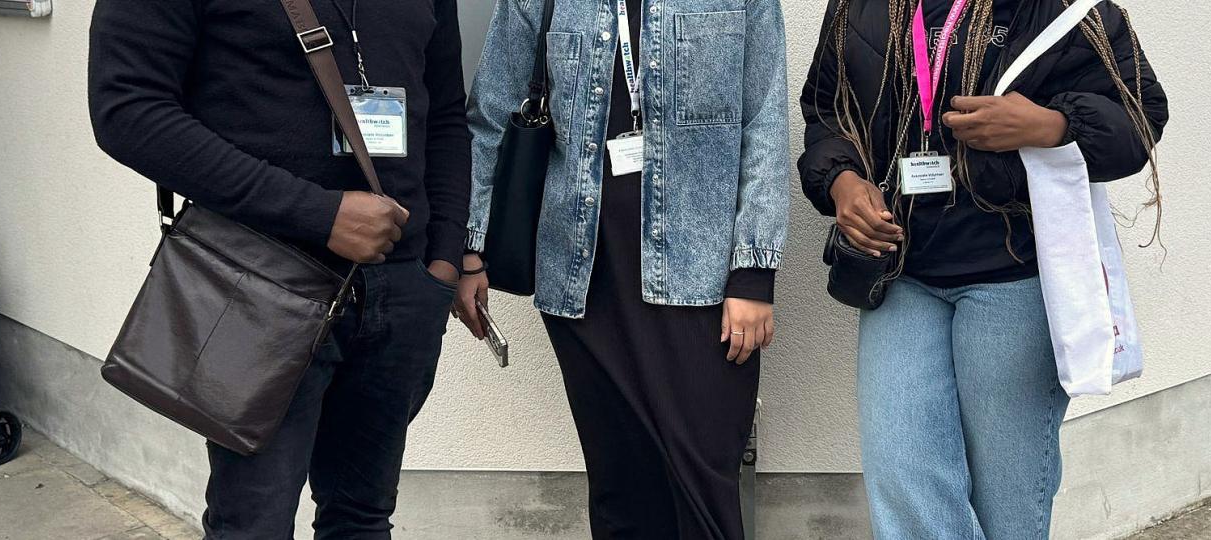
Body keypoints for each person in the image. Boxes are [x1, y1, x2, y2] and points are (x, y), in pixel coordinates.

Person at [87, 0, 471, 536]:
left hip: (402, 286)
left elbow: (447, 112)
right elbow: (127, 109)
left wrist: (445, 260)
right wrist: (319, 214)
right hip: (259, 285)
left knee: (363, 517)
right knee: (254, 524)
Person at [799, 0, 1167, 538]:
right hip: (900, 273)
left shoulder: (1061, 7)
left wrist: (1051, 125)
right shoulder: (860, 5)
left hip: (1015, 277)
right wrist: (842, 180)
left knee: (1007, 505)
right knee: (905, 486)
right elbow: (826, 111)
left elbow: (1141, 115)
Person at [460, 0, 790, 536]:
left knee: (703, 497)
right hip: (583, 280)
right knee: (622, 495)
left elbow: (765, 123)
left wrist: (754, 270)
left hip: (701, 283)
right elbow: (491, 114)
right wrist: (470, 248)